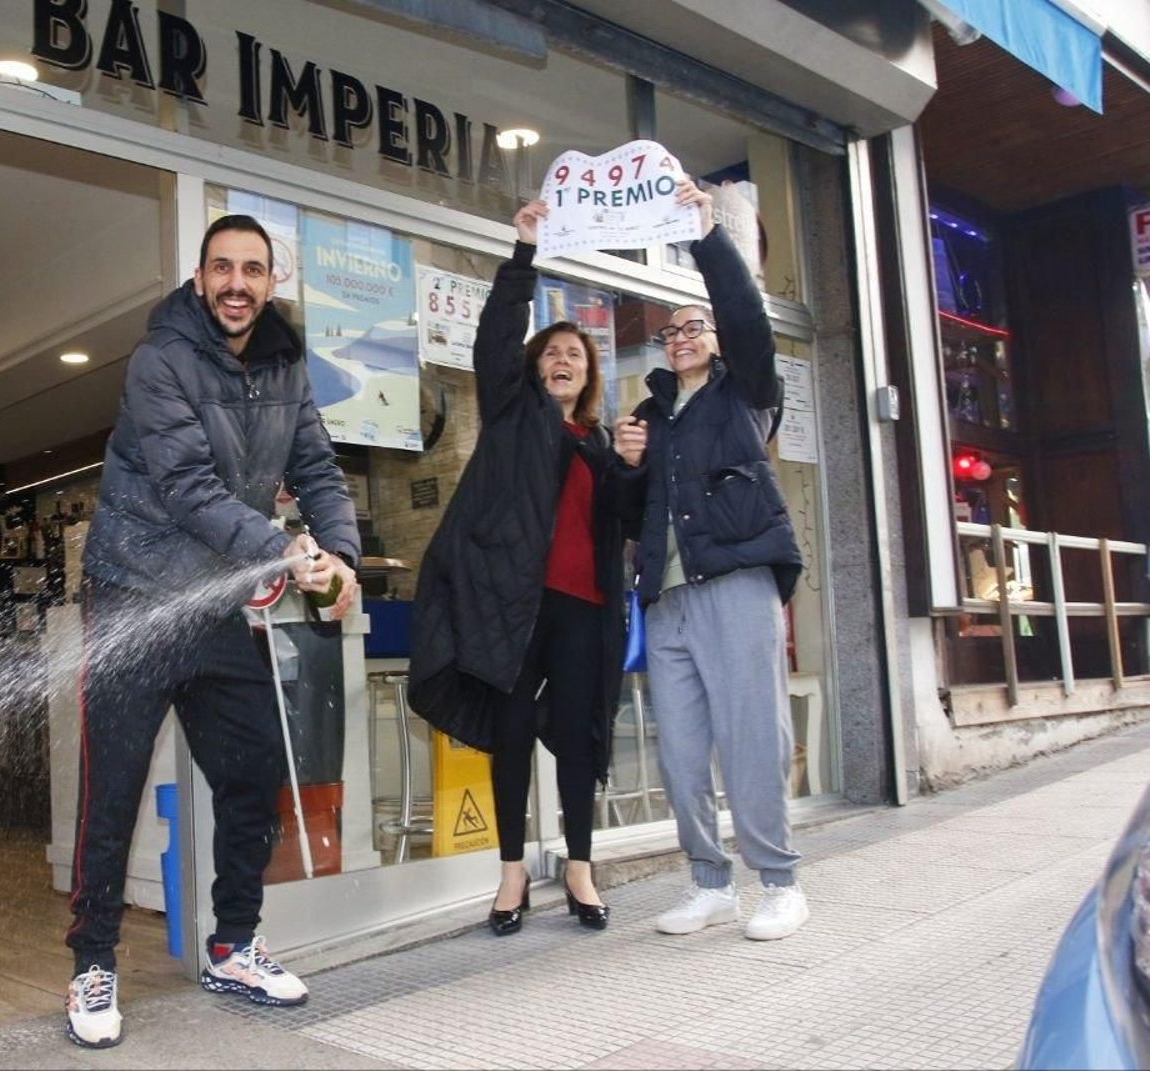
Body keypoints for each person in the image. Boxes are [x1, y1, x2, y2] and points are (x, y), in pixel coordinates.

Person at [64, 215, 361, 1048]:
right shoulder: (160, 360)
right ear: (200, 280)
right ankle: (93, 961)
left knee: (254, 766)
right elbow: (189, 485)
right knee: (113, 786)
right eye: (222, 268)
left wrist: (337, 553)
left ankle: (233, 943)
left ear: (272, 283)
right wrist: (280, 551)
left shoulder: (283, 364)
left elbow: (315, 467)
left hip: (213, 603)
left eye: (253, 270)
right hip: (131, 596)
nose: (237, 283)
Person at [409, 200, 648, 936]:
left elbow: (629, 523)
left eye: (576, 355)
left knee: (576, 737)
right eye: (552, 352)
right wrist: (522, 254)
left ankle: (579, 864)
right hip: (510, 604)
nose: (564, 360)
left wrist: (633, 470)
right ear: (533, 367)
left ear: (590, 375)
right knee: (511, 732)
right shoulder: (513, 414)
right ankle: (511, 872)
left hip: (584, 609)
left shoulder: (603, 445)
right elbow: (494, 337)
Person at [627, 177, 808, 942]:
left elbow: (745, 315)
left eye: (694, 326)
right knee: (680, 752)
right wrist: (624, 460)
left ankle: (779, 880)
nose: (683, 338)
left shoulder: (746, 393)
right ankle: (709, 881)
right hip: (665, 602)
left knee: (751, 735)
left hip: (736, 582)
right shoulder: (649, 416)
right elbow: (624, 510)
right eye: (670, 333)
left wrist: (707, 237)